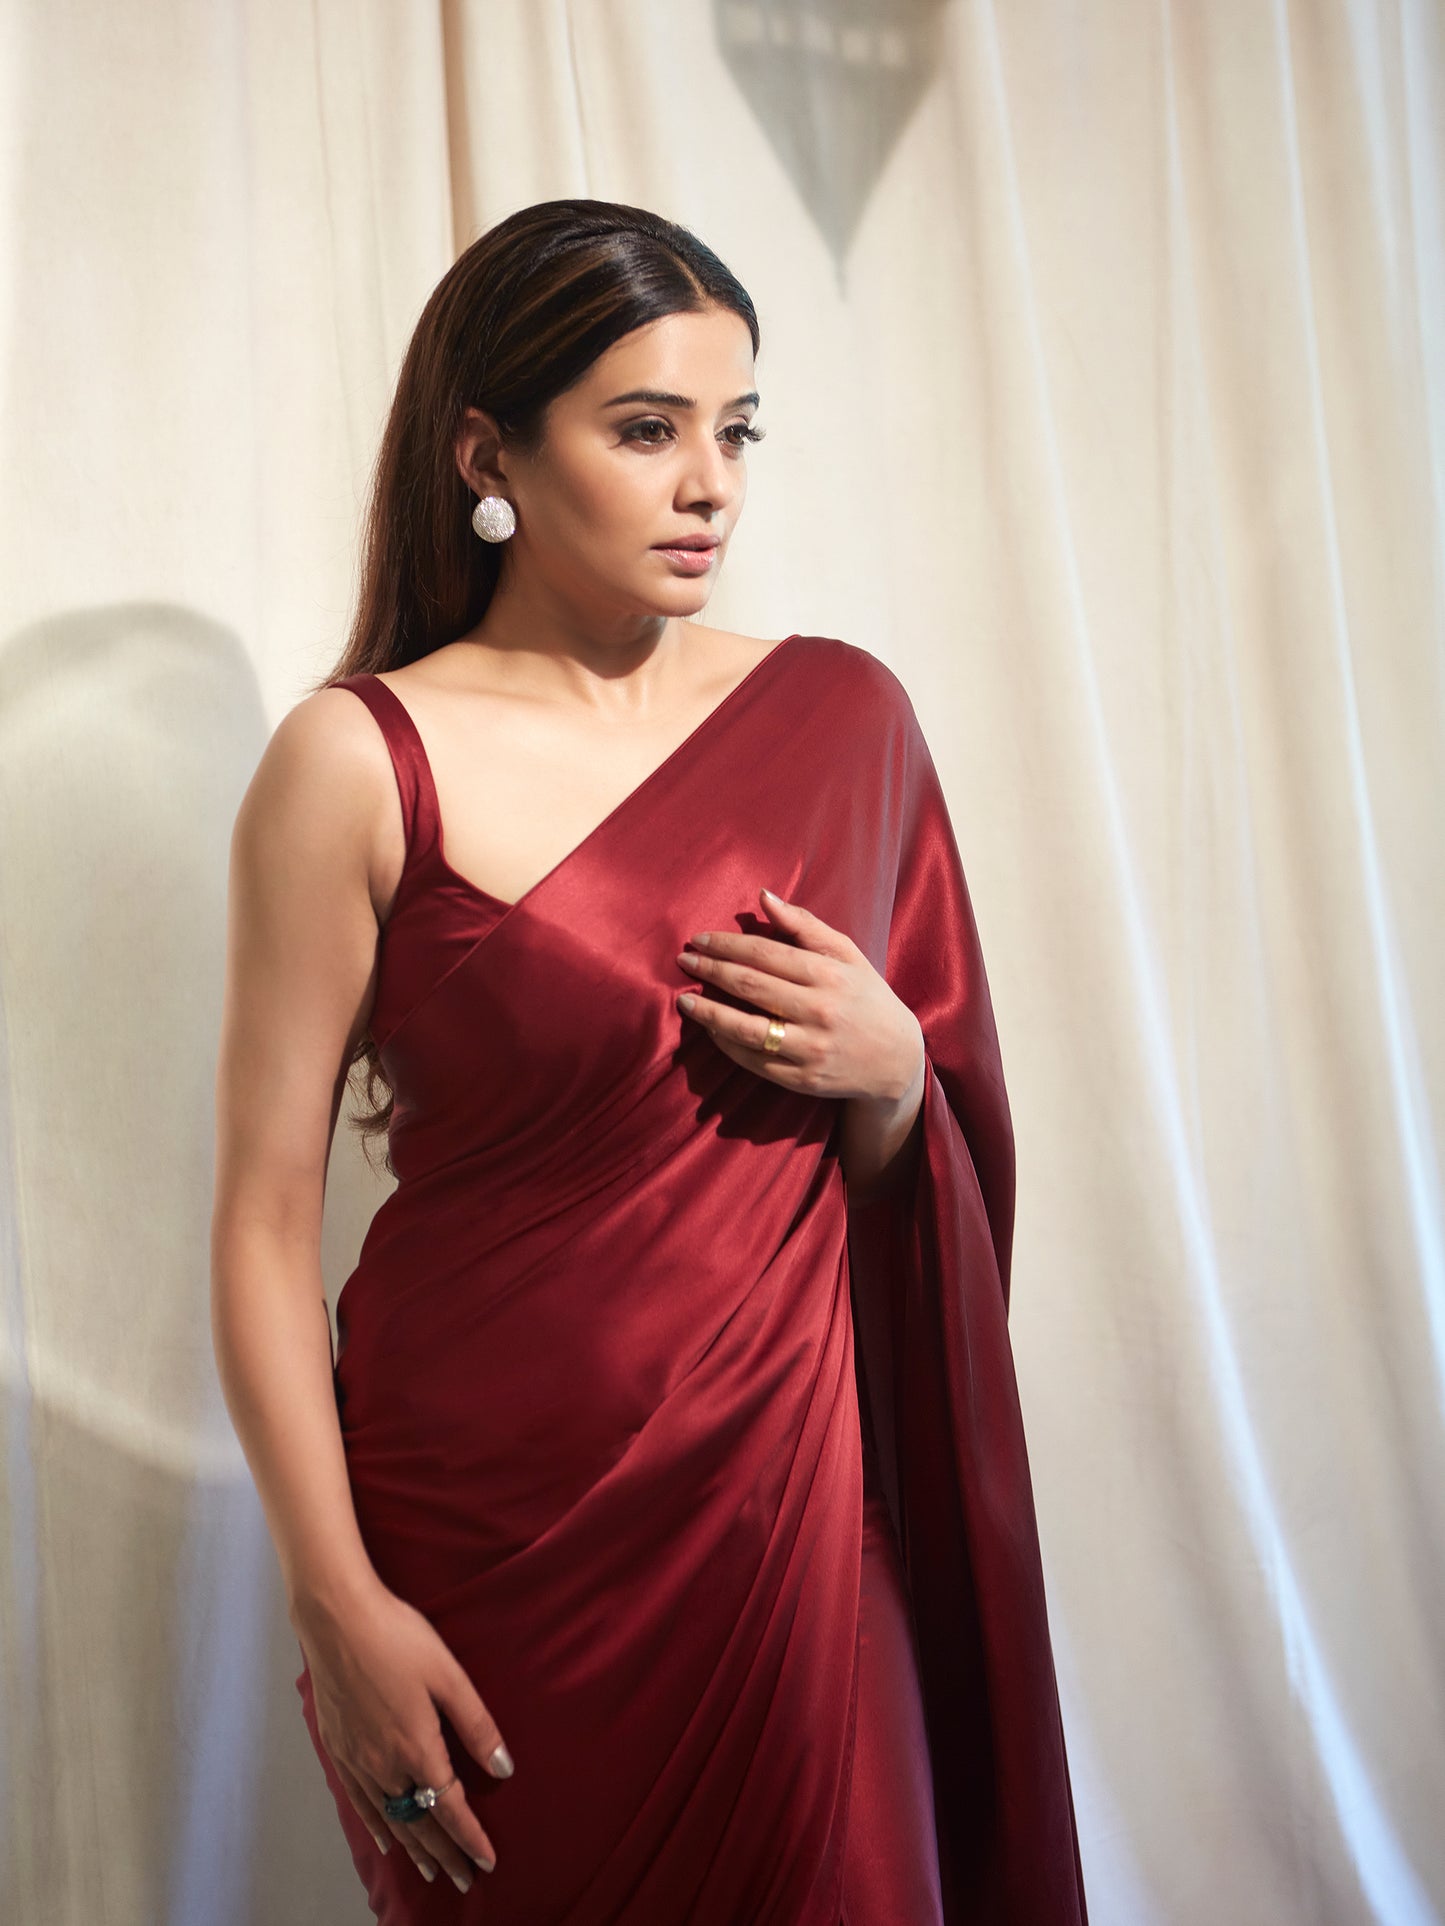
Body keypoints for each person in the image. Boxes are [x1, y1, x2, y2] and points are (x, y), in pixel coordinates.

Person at [210, 198, 1088, 1924]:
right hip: (479, 1547)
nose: (709, 486)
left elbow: (949, 1155)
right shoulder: (355, 759)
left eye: (734, 430)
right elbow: (256, 1220)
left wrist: (894, 1075)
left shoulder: (843, 720)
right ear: (490, 454)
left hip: (793, 1511)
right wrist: (336, 1597)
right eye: (643, 429)